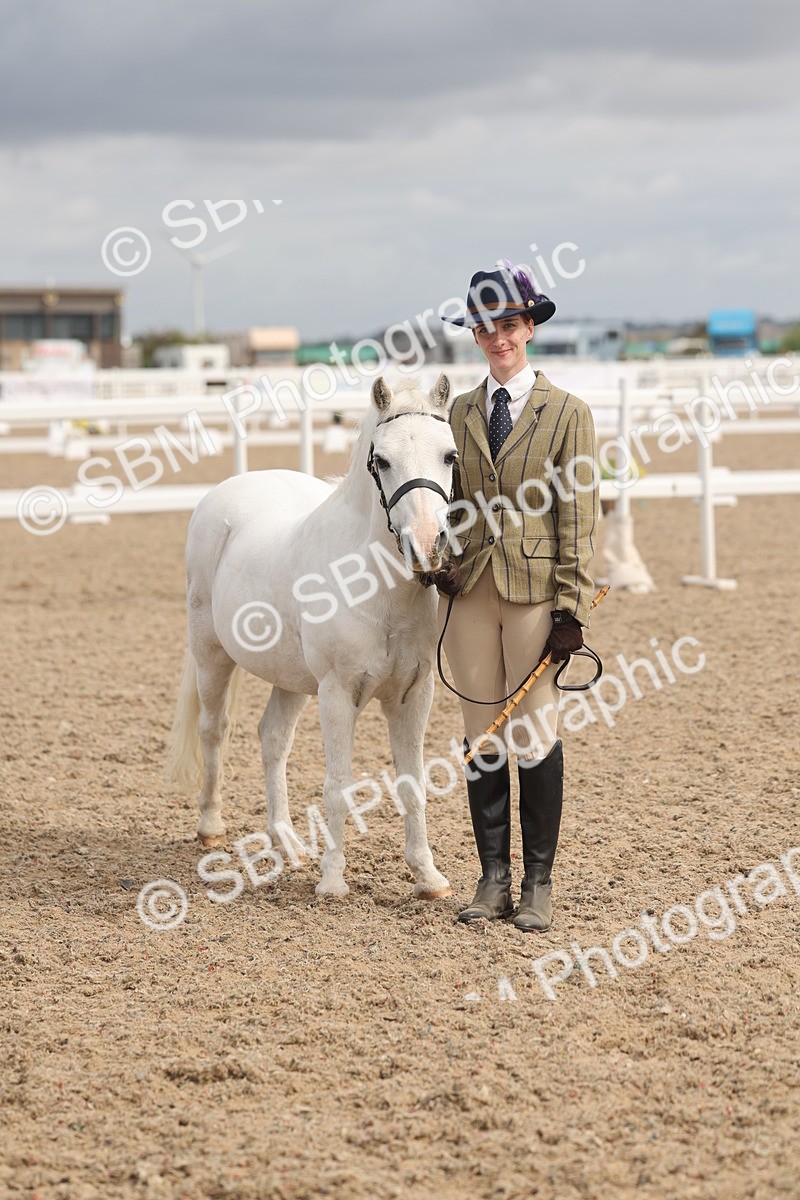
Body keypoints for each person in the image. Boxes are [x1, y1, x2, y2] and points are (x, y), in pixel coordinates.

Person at [439, 262, 598, 931]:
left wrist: (571, 608)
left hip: (535, 593)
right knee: (482, 738)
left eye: (509, 324)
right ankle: (490, 878)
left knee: (533, 732)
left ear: (530, 327)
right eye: (486, 328)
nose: (498, 338)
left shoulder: (567, 414)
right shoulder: (460, 410)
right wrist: (441, 561)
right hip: (472, 590)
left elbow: (579, 514)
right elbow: (453, 504)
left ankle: (537, 883)